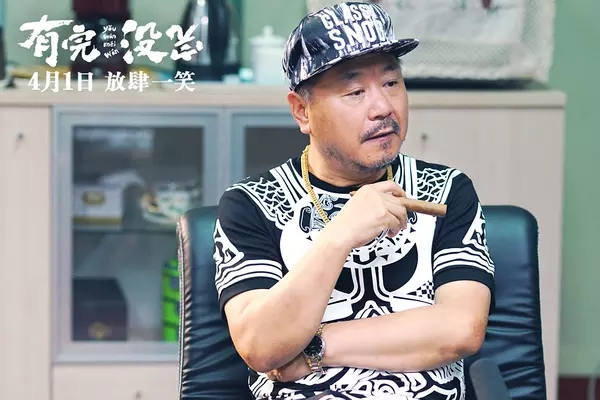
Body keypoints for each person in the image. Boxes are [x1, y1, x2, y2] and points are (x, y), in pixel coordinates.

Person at [212, 2, 495, 399]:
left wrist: (314, 347)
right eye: (355, 91)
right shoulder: (252, 205)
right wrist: (339, 235)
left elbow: (461, 328)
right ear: (302, 111)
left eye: (391, 83)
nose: (383, 108)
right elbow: (261, 345)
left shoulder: (445, 190)